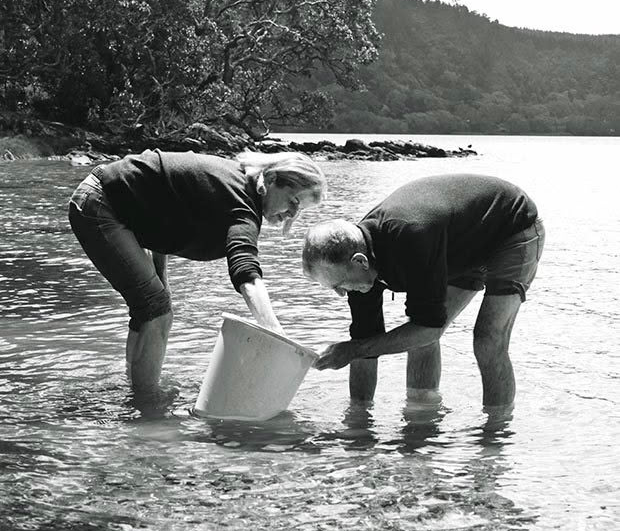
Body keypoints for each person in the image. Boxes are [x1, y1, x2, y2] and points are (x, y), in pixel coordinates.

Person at [68, 148, 327, 395]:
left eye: (300, 209)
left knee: (151, 307)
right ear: (270, 179)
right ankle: (146, 411)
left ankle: (134, 391)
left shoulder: (236, 183)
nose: (292, 214)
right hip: (102, 203)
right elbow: (246, 271)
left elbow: (166, 210)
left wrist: (162, 278)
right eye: (293, 201)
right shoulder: (242, 205)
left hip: (110, 200)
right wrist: (277, 336)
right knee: (156, 310)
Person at [302, 173, 545, 413]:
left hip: (510, 228)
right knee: (416, 333)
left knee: (487, 339)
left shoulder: (412, 237)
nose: (341, 294)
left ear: (360, 261)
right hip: (457, 246)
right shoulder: (354, 265)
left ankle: (495, 435)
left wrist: (352, 350)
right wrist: (359, 419)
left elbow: (427, 329)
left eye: (339, 285)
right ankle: (422, 416)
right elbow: (364, 343)